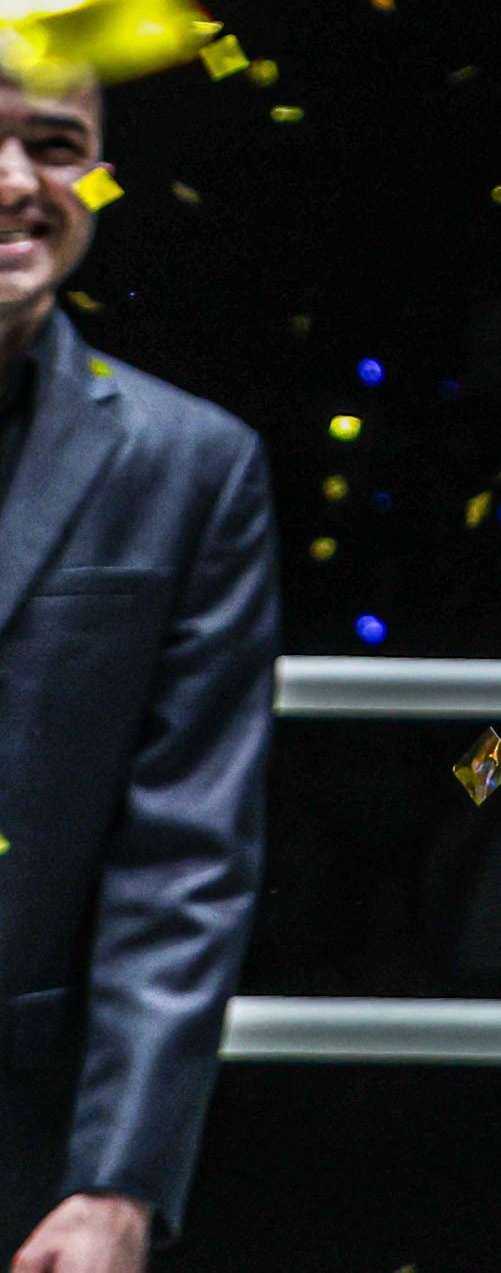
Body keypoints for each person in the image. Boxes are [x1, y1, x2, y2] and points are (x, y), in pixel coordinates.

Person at [0, 66, 278, 1273]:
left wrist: (119, 1182)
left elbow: (186, 856)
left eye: (58, 146)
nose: (18, 183)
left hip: (21, 1151)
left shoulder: (193, 466)